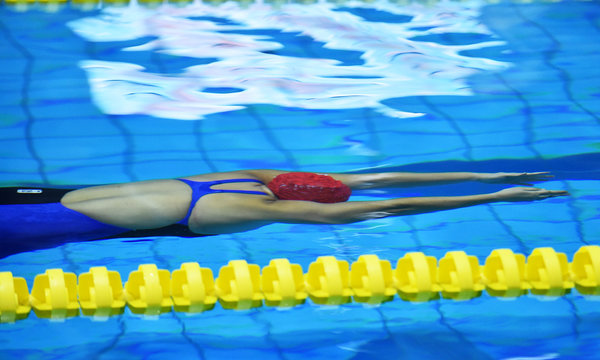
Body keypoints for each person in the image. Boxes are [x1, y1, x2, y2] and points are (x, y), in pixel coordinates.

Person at [0, 169, 567, 258]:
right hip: (29, 226)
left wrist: (485, 173)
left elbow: (383, 178)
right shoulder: (253, 205)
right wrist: (493, 199)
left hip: (29, 195)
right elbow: (393, 202)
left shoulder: (253, 173)